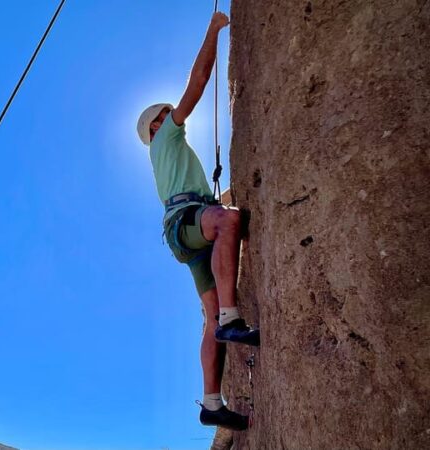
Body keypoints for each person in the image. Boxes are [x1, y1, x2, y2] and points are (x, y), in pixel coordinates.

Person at [136, 11, 260, 431]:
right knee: (228, 221)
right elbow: (199, 81)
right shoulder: (166, 137)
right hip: (190, 222)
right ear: (157, 125)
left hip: (185, 230)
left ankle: (212, 403)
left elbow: (196, 199)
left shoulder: (167, 159)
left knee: (208, 318)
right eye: (166, 114)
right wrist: (213, 30)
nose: (174, 114)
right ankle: (232, 318)